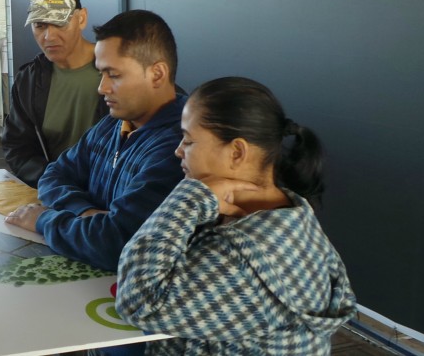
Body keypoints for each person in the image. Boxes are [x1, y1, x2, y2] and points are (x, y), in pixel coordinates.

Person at [116, 77, 356, 354]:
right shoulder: (290, 211)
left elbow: (138, 304)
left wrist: (188, 199)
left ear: (237, 152)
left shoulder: (244, 254)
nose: (178, 150)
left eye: (189, 140)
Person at [5, 10, 186, 273]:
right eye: (101, 73)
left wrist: (45, 220)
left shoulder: (181, 148)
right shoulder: (112, 124)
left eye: (114, 75)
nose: (102, 88)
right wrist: (86, 212)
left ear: (157, 74)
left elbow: (118, 242)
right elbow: (53, 175)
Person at [1, 0, 107, 187]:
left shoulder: (120, 70)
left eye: (60, 23)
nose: (49, 36)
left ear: (82, 18)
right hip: (55, 194)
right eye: (39, 26)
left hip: (111, 197)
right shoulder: (29, 80)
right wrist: (54, 182)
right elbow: (18, 148)